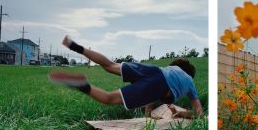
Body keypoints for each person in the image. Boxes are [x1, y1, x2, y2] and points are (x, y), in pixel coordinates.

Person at [48, 36, 203, 118]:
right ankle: (82, 85)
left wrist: (148, 110)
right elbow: (199, 114)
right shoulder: (189, 82)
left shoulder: (171, 68)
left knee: (109, 64)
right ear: (190, 75)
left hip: (152, 70)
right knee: (109, 98)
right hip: (158, 85)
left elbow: (152, 95)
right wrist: (182, 113)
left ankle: (76, 47)